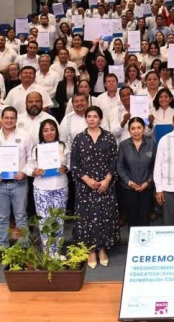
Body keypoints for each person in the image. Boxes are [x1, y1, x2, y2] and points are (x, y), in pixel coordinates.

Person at [71, 106, 119, 268]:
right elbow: (74, 163)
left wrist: (107, 180)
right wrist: (87, 180)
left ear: (100, 119)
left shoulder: (109, 137)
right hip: (86, 186)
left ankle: (102, 249)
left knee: (104, 216)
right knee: (87, 218)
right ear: (85, 119)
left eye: (95, 116)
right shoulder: (79, 138)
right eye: (89, 116)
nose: (92, 119)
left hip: (105, 185)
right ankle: (91, 250)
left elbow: (114, 160)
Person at [0, 107, 33, 252]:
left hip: (19, 183)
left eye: (12, 118)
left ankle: (22, 249)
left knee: (21, 217)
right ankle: (1, 249)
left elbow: (31, 158)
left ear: (16, 119)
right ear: (1, 119)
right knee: (2, 218)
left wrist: (24, 172)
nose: (9, 120)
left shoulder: (25, 136)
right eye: (6, 118)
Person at [30, 120, 70, 257]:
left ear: (56, 131)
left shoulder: (63, 146)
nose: (49, 133)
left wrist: (65, 168)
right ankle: (48, 253)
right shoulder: (36, 149)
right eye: (45, 130)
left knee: (58, 220)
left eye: (52, 129)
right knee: (44, 221)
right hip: (41, 188)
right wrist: (34, 172)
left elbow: (70, 163)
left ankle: (57, 252)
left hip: (60, 187)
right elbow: (29, 166)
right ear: (41, 133)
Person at [116, 116, 156, 228]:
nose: (136, 131)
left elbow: (156, 166)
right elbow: (119, 166)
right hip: (129, 188)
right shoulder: (123, 145)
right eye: (133, 128)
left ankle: (145, 239)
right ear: (129, 130)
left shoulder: (151, 144)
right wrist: (129, 182)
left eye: (139, 128)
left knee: (145, 218)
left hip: (147, 187)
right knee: (132, 219)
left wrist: (148, 181)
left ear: (143, 129)